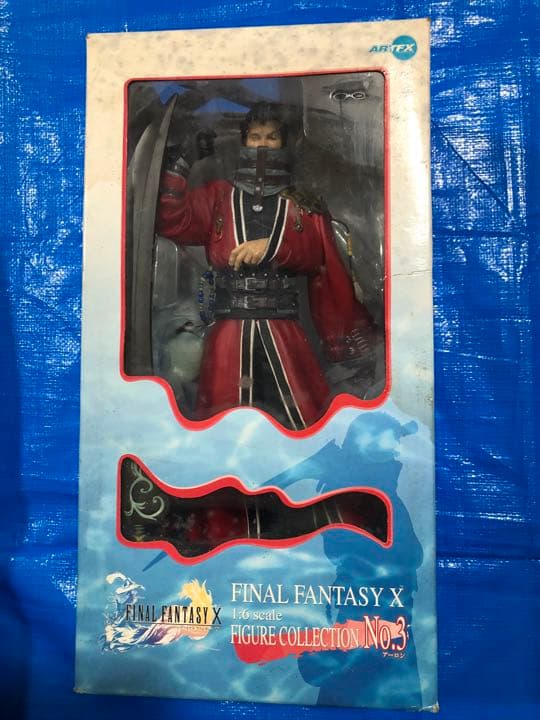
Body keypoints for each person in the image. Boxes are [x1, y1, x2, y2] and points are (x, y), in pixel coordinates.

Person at [156, 102, 377, 430]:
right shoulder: (219, 197)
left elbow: (317, 254)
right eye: (255, 136)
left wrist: (272, 247)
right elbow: (171, 219)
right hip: (229, 329)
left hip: (283, 329)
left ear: (283, 143)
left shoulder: (301, 202)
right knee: (221, 420)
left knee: (302, 418)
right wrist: (182, 161)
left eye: (272, 137)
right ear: (244, 141)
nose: (262, 144)